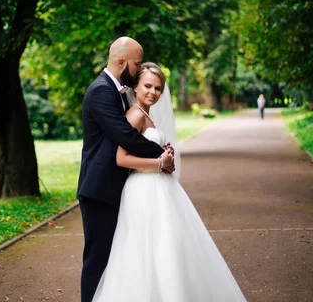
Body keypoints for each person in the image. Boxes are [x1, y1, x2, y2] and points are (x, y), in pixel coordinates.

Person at [92, 63, 247, 302]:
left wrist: (164, 156)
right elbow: (121, 159)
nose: (152, 92)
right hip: (143, 190)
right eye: (147, 86)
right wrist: (159, 162)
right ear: (136, 86)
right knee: (148, 249)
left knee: (164, 248)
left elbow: (147, 151)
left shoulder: (145, 115)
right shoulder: (134, 115)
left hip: (157, 188)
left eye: (158, 88)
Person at [78, 38, 175, 302]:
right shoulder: (101, 91)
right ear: (122, 62)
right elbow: (125, 136)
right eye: (137, 63)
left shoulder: (116, 91)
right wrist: (162, 157)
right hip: (98, 189)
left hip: (112, 187)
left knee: (115, 258)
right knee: (97, 261)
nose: (139, 67)